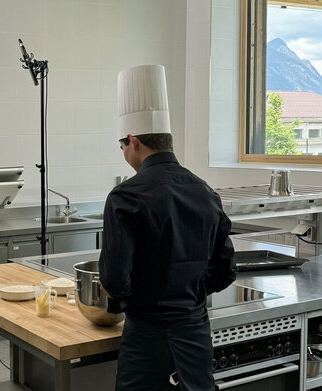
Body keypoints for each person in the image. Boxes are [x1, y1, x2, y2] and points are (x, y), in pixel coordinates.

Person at [98, 65, 236, 391]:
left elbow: (115, 280)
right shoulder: (206, 192)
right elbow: (225, 271)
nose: (123, 154)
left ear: (132, 140)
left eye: (121, 147)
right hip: (194, 329)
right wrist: (186, 295)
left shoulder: (125, 197)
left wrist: (117, 291)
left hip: (146, 332)